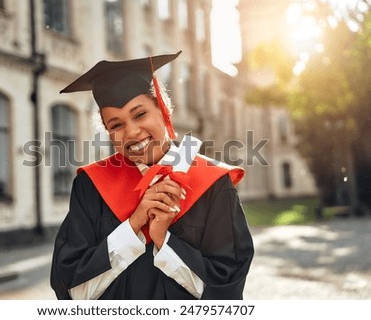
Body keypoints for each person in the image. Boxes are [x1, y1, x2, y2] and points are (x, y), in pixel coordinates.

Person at [50, 51, 254, 300]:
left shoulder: (213, 184)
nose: (132, 132)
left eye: (139, 114)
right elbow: (72, 291)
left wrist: (162, 239)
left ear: (164, 110)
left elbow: (226, 293)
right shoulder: (90, 186)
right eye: (116, 125)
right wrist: (134, 225)